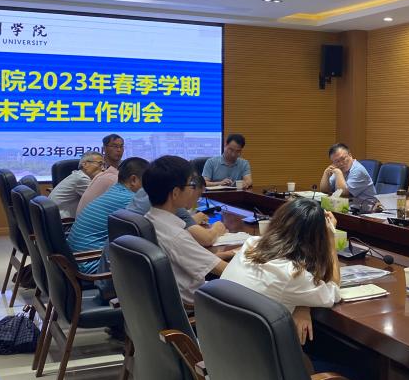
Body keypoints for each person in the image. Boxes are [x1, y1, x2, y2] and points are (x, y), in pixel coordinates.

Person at [223, 197, 342, 344]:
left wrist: (302, 305)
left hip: (221, 344)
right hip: (255, 351)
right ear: (316, 239)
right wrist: (331, 239)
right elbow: (334, 290)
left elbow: (289, 286)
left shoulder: (251, 244)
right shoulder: (292, 274)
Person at [142, 156, 235, 307]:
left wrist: (228, 254)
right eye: (191, 184)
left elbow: (189, 258)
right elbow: (225, 270)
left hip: (173, 298)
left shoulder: (149, 220)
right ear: (175, 193)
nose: (193, 189)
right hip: (197, 306)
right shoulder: (175, 237)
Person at [67, 157, 149, 293]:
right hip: (90, 266)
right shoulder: (130, 200)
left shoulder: (114, 191)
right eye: (148, 182)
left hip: (76, 261)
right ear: (134, 180)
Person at [129, 172, 226, 247]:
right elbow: (206, 239)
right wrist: (217, 228)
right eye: (198, 195)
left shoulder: (143, 192)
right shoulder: (172, 203)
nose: (197, 201)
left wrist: (191, 219)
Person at [318, 143, 378, 209]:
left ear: (350, 155)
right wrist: (326, 173)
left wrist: (339, 173)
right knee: (319, 207)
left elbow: (343, 194)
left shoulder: (358, 170)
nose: (341, 163)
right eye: (337, 161)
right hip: (347, 207)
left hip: (367, 210)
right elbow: (324, 190)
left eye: (343, 159)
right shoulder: (339, 169)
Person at [77, 134, 126, 213]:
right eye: (115, 146)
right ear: (104, 148)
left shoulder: (126, 167)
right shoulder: (95, 166)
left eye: (121, 146)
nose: (119, 150)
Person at [48, 150, 104, 219]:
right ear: (85, 164)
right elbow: (99, 201)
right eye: (100, 164)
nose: (103, 168)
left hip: (57, 217)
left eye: (104, 165)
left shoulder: (79, 175)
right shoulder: (82, 179)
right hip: (64, 220)